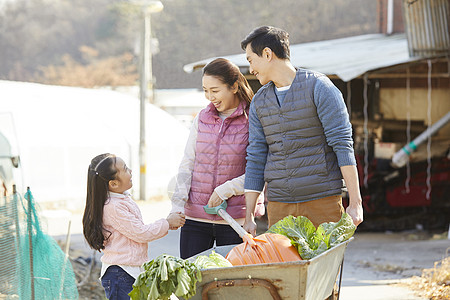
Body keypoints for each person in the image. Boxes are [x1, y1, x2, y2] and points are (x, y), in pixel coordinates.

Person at [240, 26, 364, 236]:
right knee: (284, 268)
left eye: (251, 60)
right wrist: (249, 216)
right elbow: (256, 157)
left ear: (268, 54)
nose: (250, 69)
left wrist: (356, 202)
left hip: (322, 202)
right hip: (280, 206)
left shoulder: (320, 88)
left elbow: (342, 144)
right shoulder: (260, 101)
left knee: (325, 268)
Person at [170, 58, 265, 259]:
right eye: (205, 90)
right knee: (192, 283)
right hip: (195, 219)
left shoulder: (253, 120)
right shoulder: (202, 118)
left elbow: (259, 170)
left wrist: (225, 190)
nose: (209, 97)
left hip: (234, 220)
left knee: (231, 285)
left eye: (215, 90)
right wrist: (177, 206)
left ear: (234, 87)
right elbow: (187, 163)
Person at [82, 153, 185, 300]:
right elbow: (141, 233)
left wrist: (167, 224)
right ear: (114, 183)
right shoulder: (113, 207)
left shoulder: (122, 199)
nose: (131, 171)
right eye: (125, 169)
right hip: (120, 274)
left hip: (128, 271)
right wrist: (167, 223)